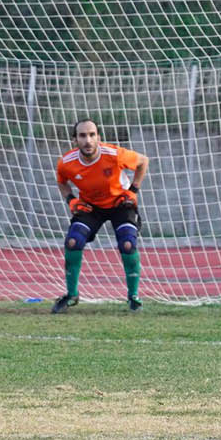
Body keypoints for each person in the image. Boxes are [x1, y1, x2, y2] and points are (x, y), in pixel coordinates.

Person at [52, 119, 149, 313]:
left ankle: (133, 296)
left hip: (120, 203)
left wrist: (133, 191)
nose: (88, 140)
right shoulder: (66, 163)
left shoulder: (114, 155)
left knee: (127, 244)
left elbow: (143, 161)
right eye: (82, 136)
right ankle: (72, 295)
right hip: (91, 207)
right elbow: (62, 182)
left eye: (92, 135)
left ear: (98, 137)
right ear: (74, 140)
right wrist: (71, 200)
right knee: (73, 241)